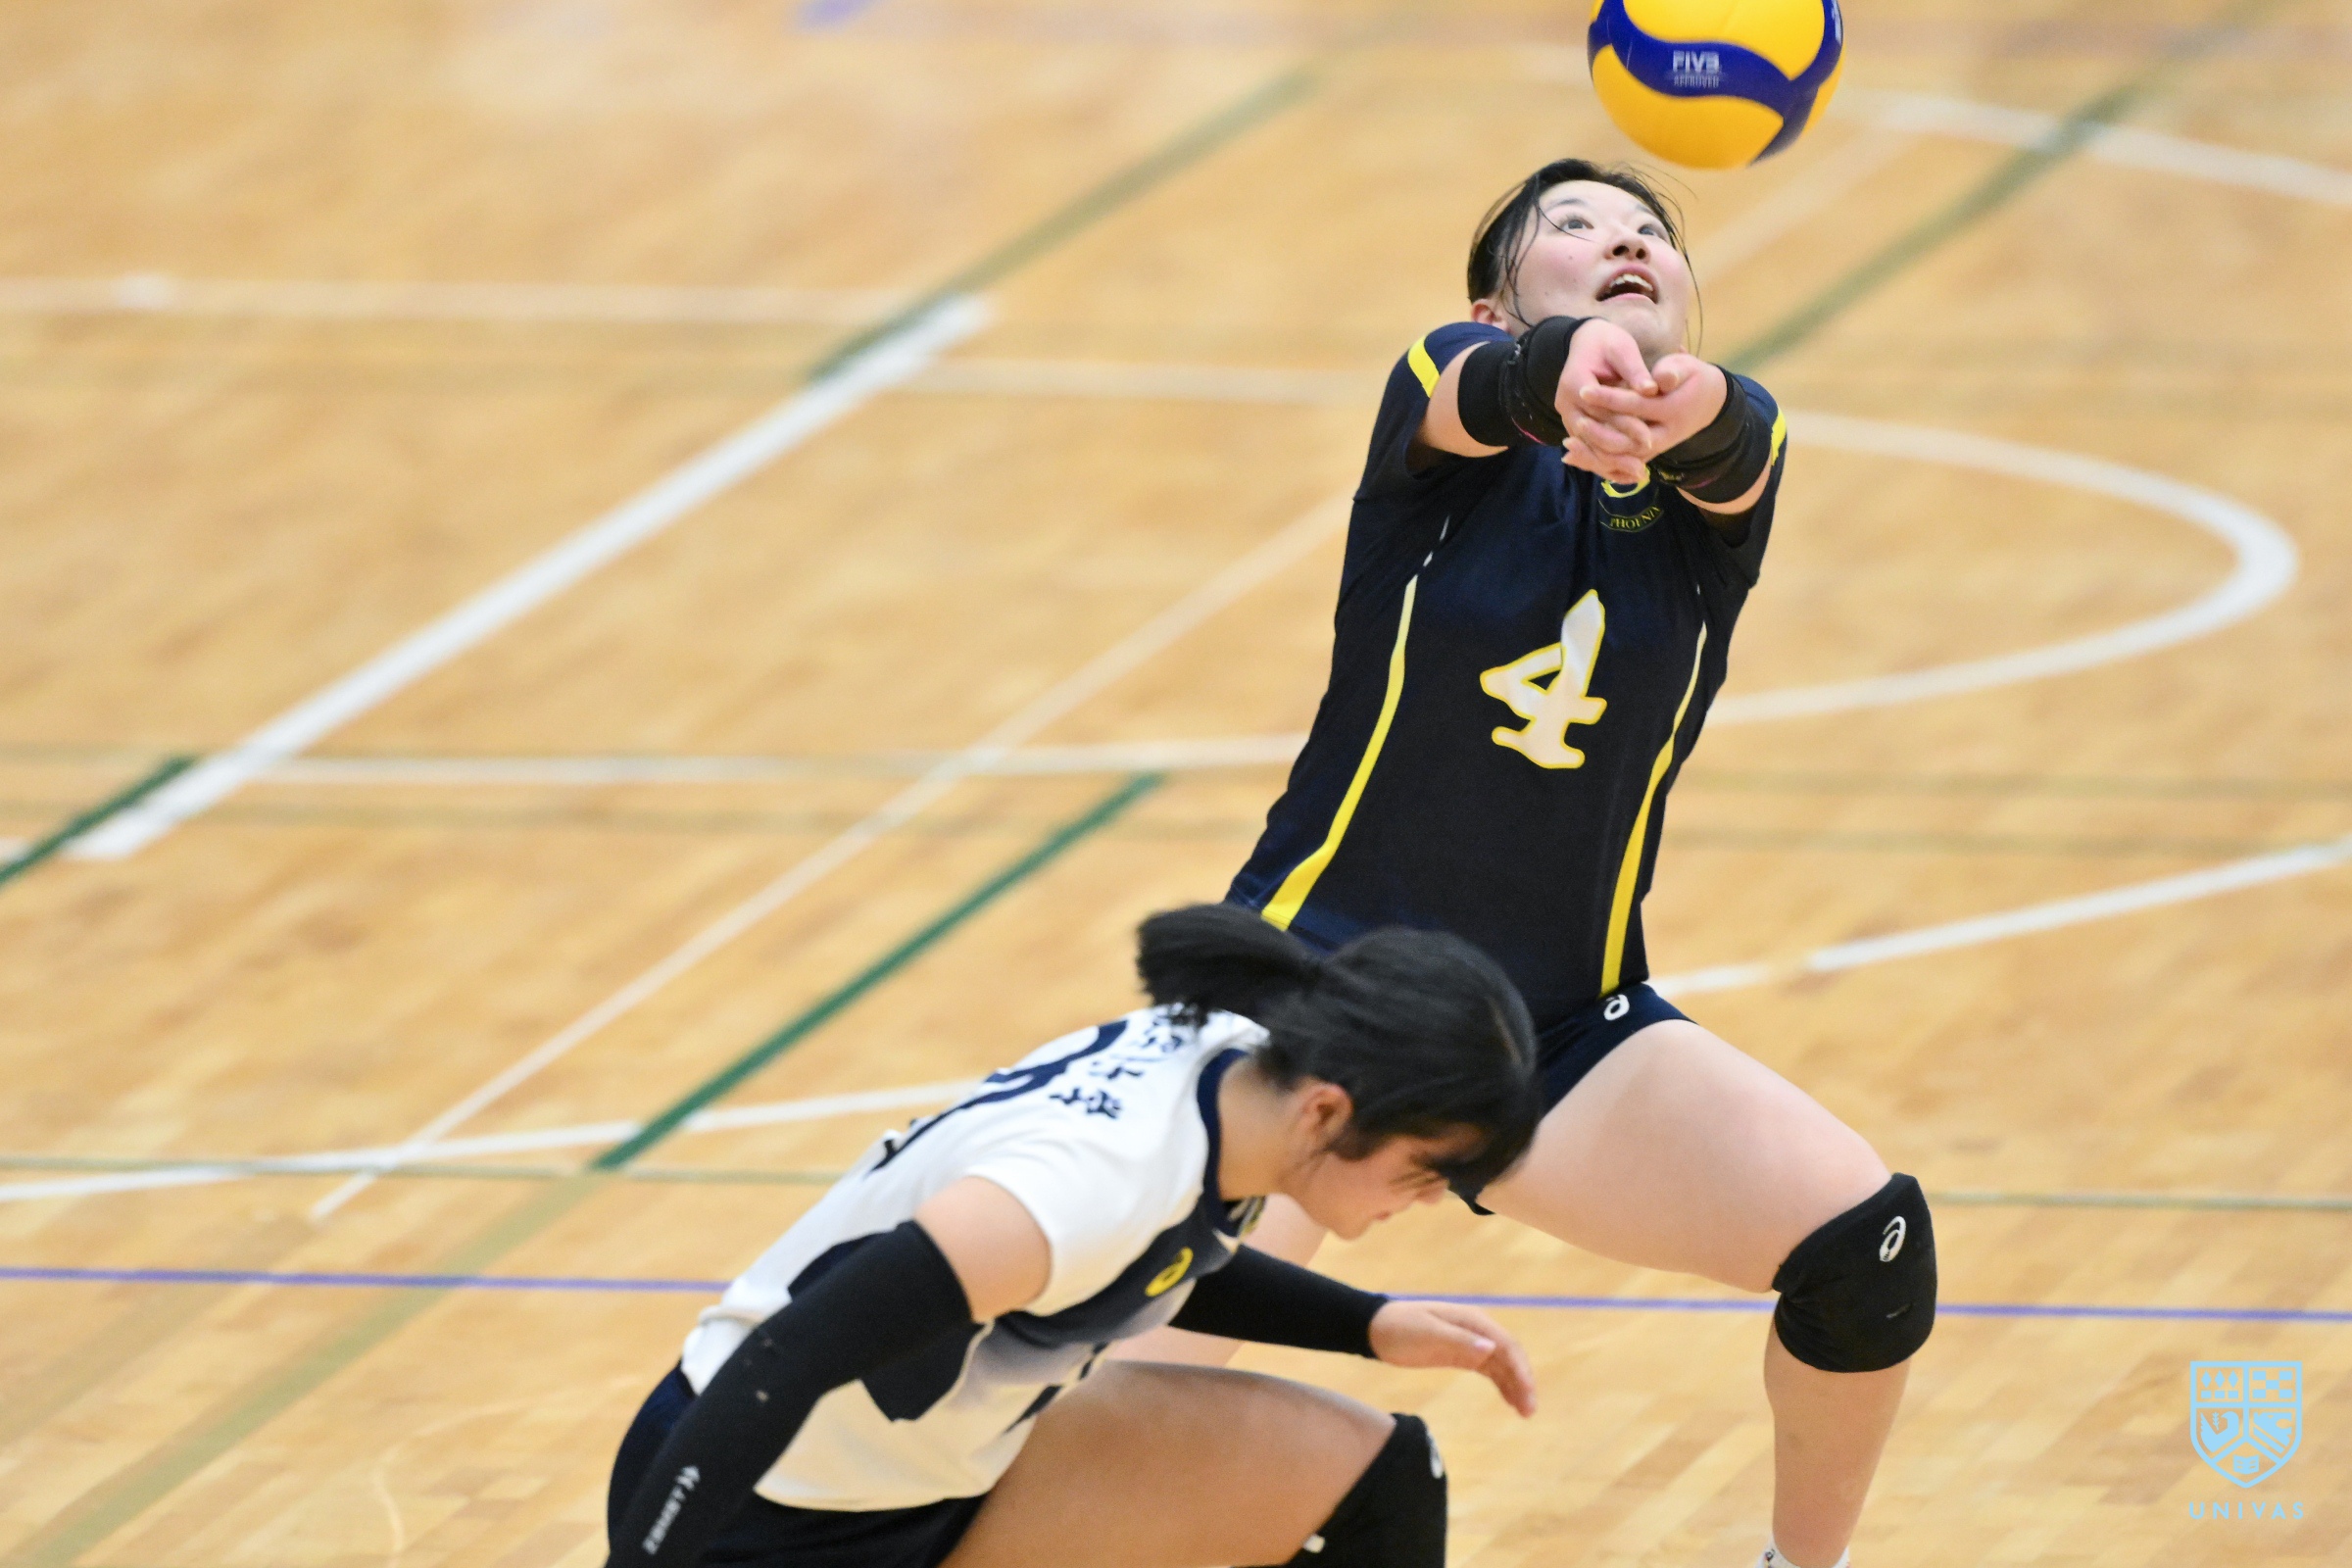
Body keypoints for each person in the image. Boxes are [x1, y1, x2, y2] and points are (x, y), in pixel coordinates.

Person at [1136, 160, 1937, 1568]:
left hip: (1557, 1035)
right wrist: (1552, 373)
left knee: (1867, 1251)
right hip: (1315, 995)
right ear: (1495, 302)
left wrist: (1696, 408)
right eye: (1573, 226)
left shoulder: (1709, 508)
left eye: (1651, 234)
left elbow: (1741, 435)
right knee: (1118, 1383)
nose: (1625, 239)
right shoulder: (1441, 416)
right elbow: (1478, 386)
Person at [603, 903, 1547, 1568]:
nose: (1432, 1198)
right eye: (1426, 1168)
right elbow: (783, 1359)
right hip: (761, 1511)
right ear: (1329, 1111)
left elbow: (1151, 1255)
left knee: (1380, 1481)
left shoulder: (1237, 1075)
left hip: (943, 1487)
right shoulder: (1081, 1188)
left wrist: (1366, 1324)